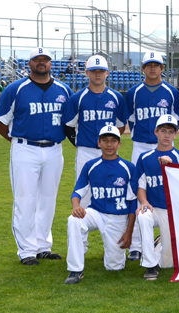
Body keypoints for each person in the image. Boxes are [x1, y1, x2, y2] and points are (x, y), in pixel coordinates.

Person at [0, 47, 73, 265]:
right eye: (36, 59)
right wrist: (15, 141)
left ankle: (43, 246)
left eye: (45, 59)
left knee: (48, 199)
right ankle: (27, 251)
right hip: (25, 148)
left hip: (55, 149)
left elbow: (71, 121)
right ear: (29, 64)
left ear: (50, 63)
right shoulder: (15, 89)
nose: (41, 62)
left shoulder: (64, 89)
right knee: (25, 199)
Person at [65, 125, 137, 284]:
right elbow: (78, 191)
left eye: (113, 141)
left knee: (114, 267)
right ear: (99, 143)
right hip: (96, 213)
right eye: (105, 140)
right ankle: (76, 269)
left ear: (119, 144)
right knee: (74, 220)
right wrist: (76, 205)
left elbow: (132, 202)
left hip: (118, 218)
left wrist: (129, 232)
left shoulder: (129, 167)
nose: (109, 145)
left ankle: (117, 254)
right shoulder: (91, 166)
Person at [63, 55, 128, 208]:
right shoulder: (77, 98)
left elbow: (120, 126)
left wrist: (111, 144)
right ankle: (81, 229)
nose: (97, 74)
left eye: (101, 71)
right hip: (85, 152)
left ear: (107, 73)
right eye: (93, 71)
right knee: (83, 195)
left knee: (112, 192)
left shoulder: (116, 97)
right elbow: (68, 126)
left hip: (110, 153)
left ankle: (111, 230)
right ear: (87, 73)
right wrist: (79, 143)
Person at [136, 114, 179, 280]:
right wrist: (144, 202)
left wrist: (171, 166)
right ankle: (150, 266)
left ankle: (159, 245)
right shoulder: (145, 158)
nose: (167, 135)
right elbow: (140, 186)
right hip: (153, 208)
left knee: (168, 263)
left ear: (175, 134)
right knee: (143, 216)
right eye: (163, 131)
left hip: (172, 210)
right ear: (156, 132)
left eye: (171, 131)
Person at [127, 51, 179, 165]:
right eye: (149, 65)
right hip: (140, 145)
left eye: (156, 65)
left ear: (162, 68)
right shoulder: (133, 92)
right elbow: (131, 120)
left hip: (165, 146)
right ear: (143, 68)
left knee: (165, 180)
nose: (152, 68)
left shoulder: (172, 92)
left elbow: (176, 119)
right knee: (138, 181)